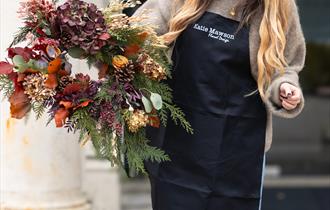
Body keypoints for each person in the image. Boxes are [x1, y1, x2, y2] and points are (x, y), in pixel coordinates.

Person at [133, 0, 306, 209]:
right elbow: (136, 36)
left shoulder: (278, 7)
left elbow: (284, 67)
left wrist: (285, 87)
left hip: (240, 152)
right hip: (176, 147)